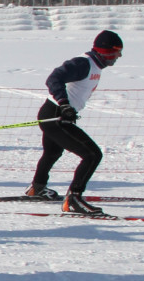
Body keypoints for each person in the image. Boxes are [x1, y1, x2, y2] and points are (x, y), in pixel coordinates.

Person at [28, 30, 124, 215]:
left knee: (53, 152)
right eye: (116, 52)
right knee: (92, 155)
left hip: (56, 114)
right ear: (105, 51)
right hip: (56, 116)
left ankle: (37, 188)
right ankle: (74, 199)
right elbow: (54, 78)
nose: (119, 56)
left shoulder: (95, 65)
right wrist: (65, 105)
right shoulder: (83, 63)